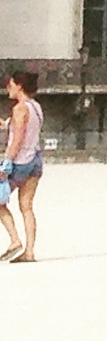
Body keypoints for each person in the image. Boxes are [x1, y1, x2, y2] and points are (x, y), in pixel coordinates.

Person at [0, 71, 45, 264]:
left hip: (20, 162)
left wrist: (6, 164)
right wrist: (5, 125)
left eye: (10, 85)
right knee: (26, 207)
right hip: (35, 159)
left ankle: (14, 241)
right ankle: (29, 252)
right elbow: (26, 129)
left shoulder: (19, 108)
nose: (7, 89)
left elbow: (17, 139)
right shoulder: (35, 106)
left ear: (19, 86)